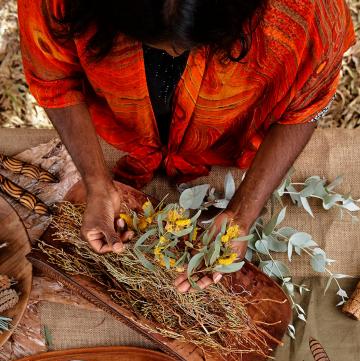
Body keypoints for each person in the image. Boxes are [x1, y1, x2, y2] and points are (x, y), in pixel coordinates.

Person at [18, 0, 354, 291]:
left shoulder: (304, 11)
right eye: (151, 42)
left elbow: (308, 103)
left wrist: (240, 215)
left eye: (185, 45)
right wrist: (96, 183)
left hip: (226, 138)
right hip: (119, 127)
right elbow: (54, 77)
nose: (172, 54)